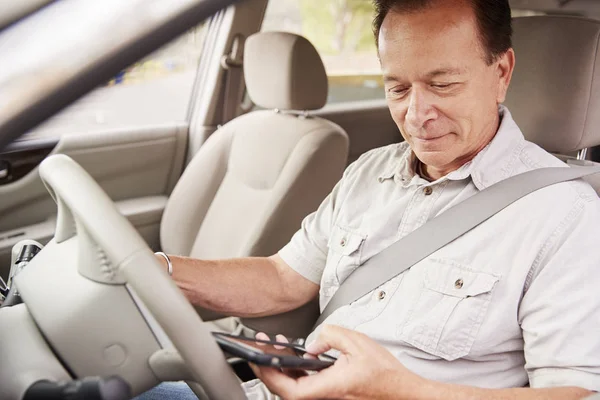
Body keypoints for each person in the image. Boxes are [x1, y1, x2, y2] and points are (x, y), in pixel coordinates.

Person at [138, 0, 600, 398]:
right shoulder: (371, 170)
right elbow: (283, 277)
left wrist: (403, 392)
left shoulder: (566, 215)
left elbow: (577, 394)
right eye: (397, 87)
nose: (416, 115)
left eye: (442, 84)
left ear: (501, 72)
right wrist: (156, 271)